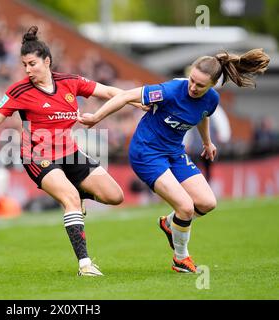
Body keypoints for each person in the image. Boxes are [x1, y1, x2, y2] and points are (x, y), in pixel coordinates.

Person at [0, 26, 145, 276]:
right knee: (70, 200)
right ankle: (84, 264)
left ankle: (77, 195)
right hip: (37, 155)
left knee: (114, 196)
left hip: (69, 151)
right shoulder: (18, 91)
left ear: (47, 61)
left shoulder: (70, 82)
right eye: (24, 65)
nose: (28, 70)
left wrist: (136, 99)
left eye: (32, 63)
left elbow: (107, 92)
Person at [78, 48, 270, 273]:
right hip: (146, 152)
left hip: (174, 153)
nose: (193, 87)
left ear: (212, 86)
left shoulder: (211, 99)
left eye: (200, 85)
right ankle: (181, 259)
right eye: (192, 80)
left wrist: (207, 143)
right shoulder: (169, 90)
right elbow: (125, 96)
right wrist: (96, 117)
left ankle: (169, 223)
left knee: (207, 203)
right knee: (186, 207)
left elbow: (202, 115)